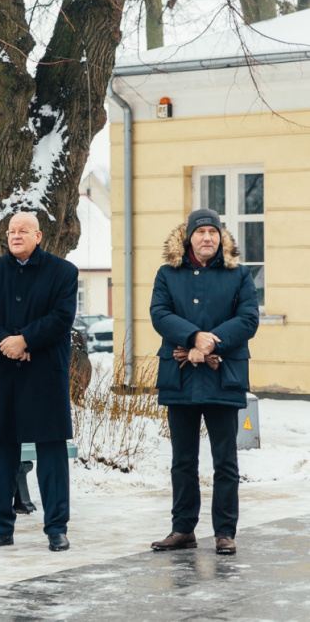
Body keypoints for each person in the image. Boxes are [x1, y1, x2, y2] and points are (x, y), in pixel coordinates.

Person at [149, 208, 258, 556]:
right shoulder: (167, 274)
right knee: (183, 460)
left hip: (223, 376)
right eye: (200, 232)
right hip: (180, 377)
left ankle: (225, 532)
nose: (207, 237)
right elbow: (159, 314)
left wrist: (210, 342)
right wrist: (194, 336)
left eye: (213, 232)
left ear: (221, 237)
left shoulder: (239, 274)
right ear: (188, 238)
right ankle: (183, 529)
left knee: (225, 460)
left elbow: (248, 319)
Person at [0, 211, 77, 552]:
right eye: (11, 231)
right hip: (3, 374)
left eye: (24, 230)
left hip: (45, 374)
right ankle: (0, 527)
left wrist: (26, 340)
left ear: (38, 236)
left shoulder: (63, 272)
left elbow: (61, 317)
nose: (16, 235)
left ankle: (56, 528)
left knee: (52, 452)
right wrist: (7, 344)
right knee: (1, 451)